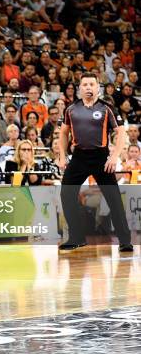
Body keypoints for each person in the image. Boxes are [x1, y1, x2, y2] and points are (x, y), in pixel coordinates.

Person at [58, 73, 133, 251]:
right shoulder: (70, 109)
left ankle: (125, 241)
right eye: (85, 84)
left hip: (101, 158)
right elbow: (63, 133)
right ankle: (76, 237)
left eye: (92, 84)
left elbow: (121, 132)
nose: (88, 87)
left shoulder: (107, 108)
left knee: (113, 199)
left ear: (97, 87)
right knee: (66, 194)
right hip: (78, 158)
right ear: (80, 88)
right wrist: (62, 155)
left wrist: (114, 156)